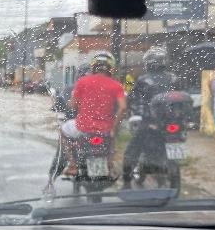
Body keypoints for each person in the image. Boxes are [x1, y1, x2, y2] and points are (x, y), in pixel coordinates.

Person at [60, 51, 126, 176]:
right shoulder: (117, 86)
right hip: (105, 130)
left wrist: (70, 105)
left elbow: (73, 105)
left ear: (93, 66)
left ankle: (73, 164)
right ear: (111, 68)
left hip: (82, 128)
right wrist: (114, 127)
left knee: (63, 130)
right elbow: (122, 108)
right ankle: (109, 165)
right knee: (111, 142)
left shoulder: (82, 82)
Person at [121, 47, 179, 189]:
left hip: (150, 122)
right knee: (172, 146)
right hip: (172, 123)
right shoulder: (173, 78)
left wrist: (131, 109)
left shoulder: (144, 79)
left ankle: (127, 183)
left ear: (148, 62)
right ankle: (170, 176)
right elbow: (180, 96)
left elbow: (132, 99)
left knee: (132, 150)